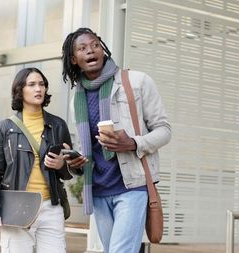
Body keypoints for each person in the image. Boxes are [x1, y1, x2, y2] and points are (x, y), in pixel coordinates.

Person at [61, 27, 171, 253]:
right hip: (99, 190)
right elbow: (86, 148)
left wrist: (132, 143)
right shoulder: (77, 101)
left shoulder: (137, 82)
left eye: (95, 45)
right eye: (82, 48)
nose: (91, 51)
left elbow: (164, 131)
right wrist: (76, 164)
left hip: (132, 186)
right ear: (74, 59)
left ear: (103, 49)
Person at [0, 68, 79, 253]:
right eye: (32, 84)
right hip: (16, 208)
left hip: (50, 207)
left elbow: (69, 171)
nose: (38, 89)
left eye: (42, 84)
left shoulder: (58, 125)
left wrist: (62, 165)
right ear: (20, 90)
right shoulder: (5, 128)